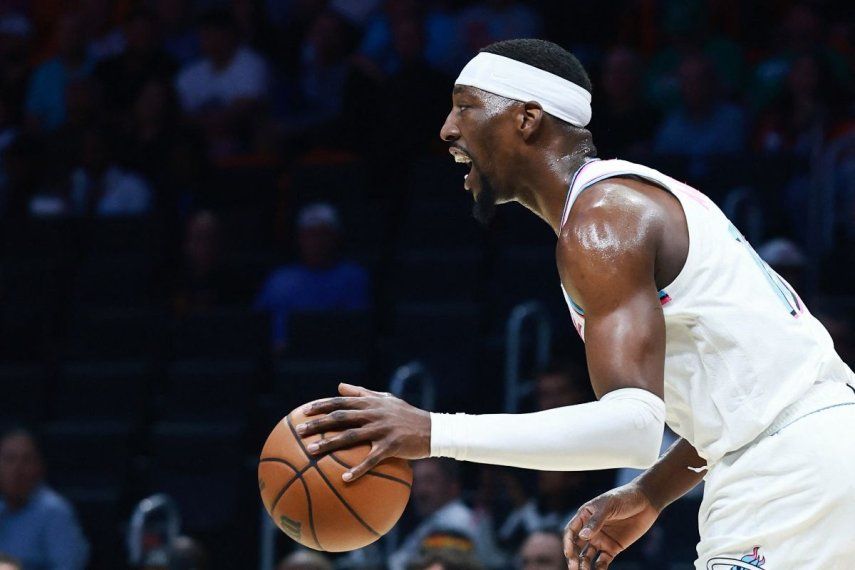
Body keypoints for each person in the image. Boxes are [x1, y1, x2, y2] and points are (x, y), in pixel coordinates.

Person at [295, 38, 855, 569]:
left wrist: (434, 430)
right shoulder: (628, 201)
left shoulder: (602, 220)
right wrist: (652, 492)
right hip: (816, 449)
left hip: (789, 473)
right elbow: (746, 399)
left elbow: (630, 428)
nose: (446, 130)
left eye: (464, 107)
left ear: (527, 119)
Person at [254, 202, 369, 352]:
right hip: (282, 363)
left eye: (322, 234)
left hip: (335, 364)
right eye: (309, 235)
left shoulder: (353, 278)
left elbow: (355, 331)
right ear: (300, 238)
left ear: (336, 237)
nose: (316, 242)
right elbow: (257, 325)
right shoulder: (279, 279)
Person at [0, 428, 90, 570]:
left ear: (39, 466)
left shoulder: (55, 512)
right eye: (9, 459)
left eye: (26, 460)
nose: (17, 469)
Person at [388, 459, 499, 570]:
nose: (421, 490)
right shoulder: (430, 521)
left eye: (430, 481)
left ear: (453, 486)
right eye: (416, 482)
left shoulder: (458, 520)